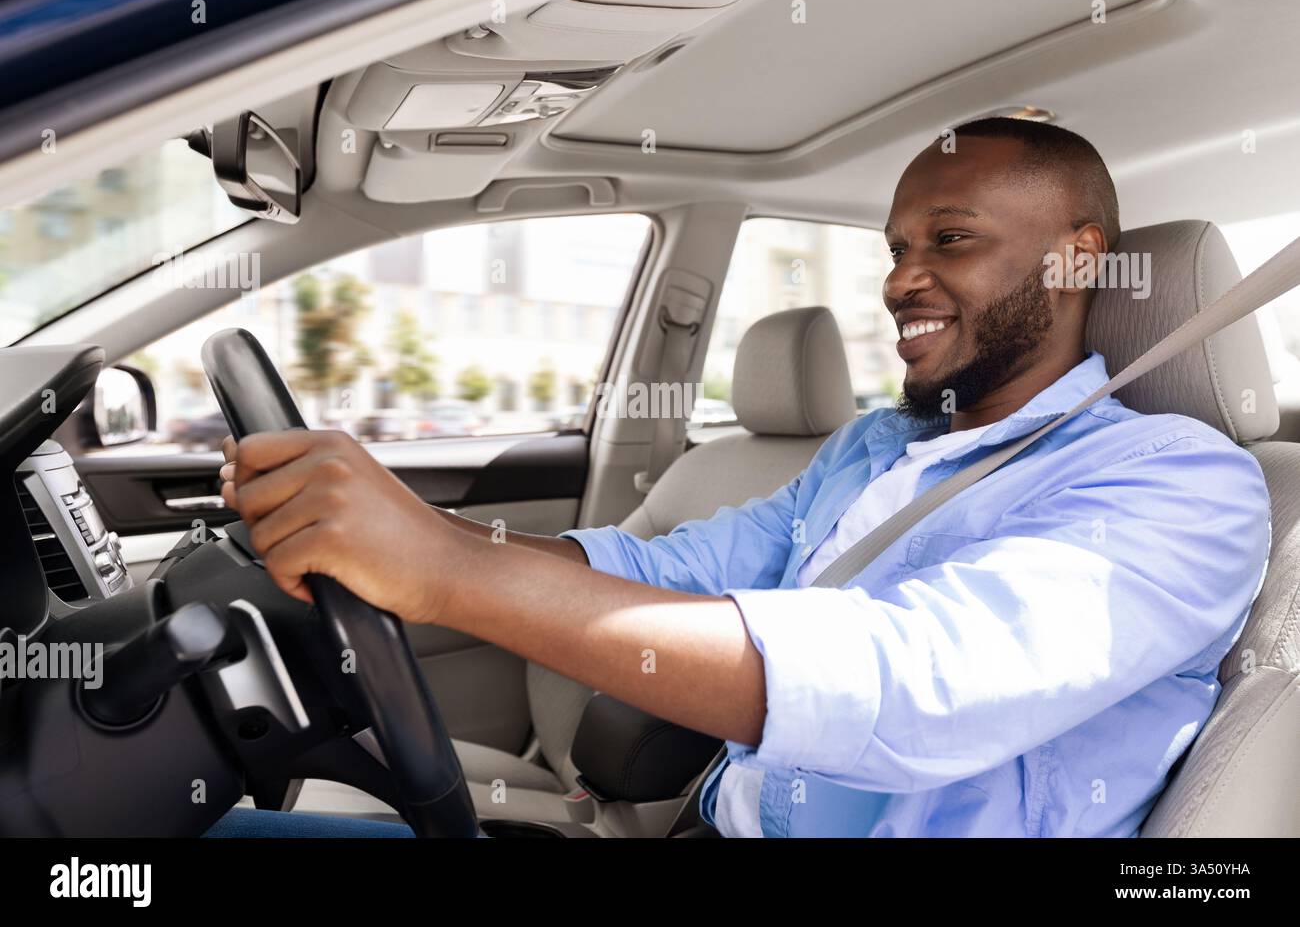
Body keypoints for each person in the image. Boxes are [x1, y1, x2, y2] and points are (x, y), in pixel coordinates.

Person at [209, 118, 1269, 838]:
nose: (902, 278)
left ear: (1080, 258)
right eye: (896, 246)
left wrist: (441, 567)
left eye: (951, 240)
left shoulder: (1179, 486)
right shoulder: (874, 449)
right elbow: (671, 568)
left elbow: (905, 685)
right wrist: (404, 529)